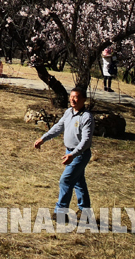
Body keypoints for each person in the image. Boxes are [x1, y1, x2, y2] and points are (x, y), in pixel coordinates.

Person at [34, 87, 93, 220]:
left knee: (66, 180)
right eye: (71, 96)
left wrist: (73, 155)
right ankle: (86, 213)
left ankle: (61, 212)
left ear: (84, 100)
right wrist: (43, 138)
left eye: (76, 97)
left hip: (79, 154)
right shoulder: (68, 112)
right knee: (78, 181)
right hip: (69, 152)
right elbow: (58, 127)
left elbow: (86, 141)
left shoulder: (86, 117)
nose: (73, 99)